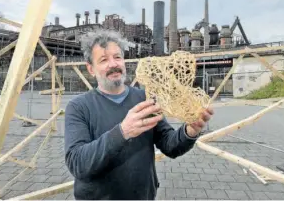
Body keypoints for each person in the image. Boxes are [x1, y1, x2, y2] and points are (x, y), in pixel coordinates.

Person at [64, 30, 214, 200]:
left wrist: (189, 132)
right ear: (91, 69)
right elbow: (78, 164)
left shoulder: (144, 98)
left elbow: (169, 145)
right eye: (104, 60)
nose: (113, 64)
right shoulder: (78, 107)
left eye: (117, 57)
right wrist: (123, 132)